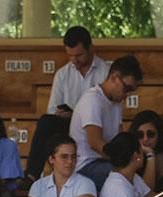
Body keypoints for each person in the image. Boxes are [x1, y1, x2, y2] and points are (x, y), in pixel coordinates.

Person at [25, 26, 109, 183]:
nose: (74, 60)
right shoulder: (63, 74)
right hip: (68, 125)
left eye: (79, 55)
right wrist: (61, 114)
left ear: (90, 48)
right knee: (46, 122)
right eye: (70, 56)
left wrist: (77, 113)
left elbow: (106, 109)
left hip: (94, 126)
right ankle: (31, 175)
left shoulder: (105, 72)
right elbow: (52, 109)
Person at [71, 55, 143, 192]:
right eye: (126, 88)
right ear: (114, 78)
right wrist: (123, 160)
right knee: (123, 175)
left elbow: (120, 136)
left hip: (105, 161)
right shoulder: (93, 100)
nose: (127, 95)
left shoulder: (115, 103)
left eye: (131, 91)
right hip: (86, 165)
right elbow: (95, 143)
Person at [130, 110, 163, 191]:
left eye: (150, 134)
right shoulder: (133, 157)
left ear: (159, 134)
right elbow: (146, 193)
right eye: (140, 135)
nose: (145, 139)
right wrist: (150, 155)